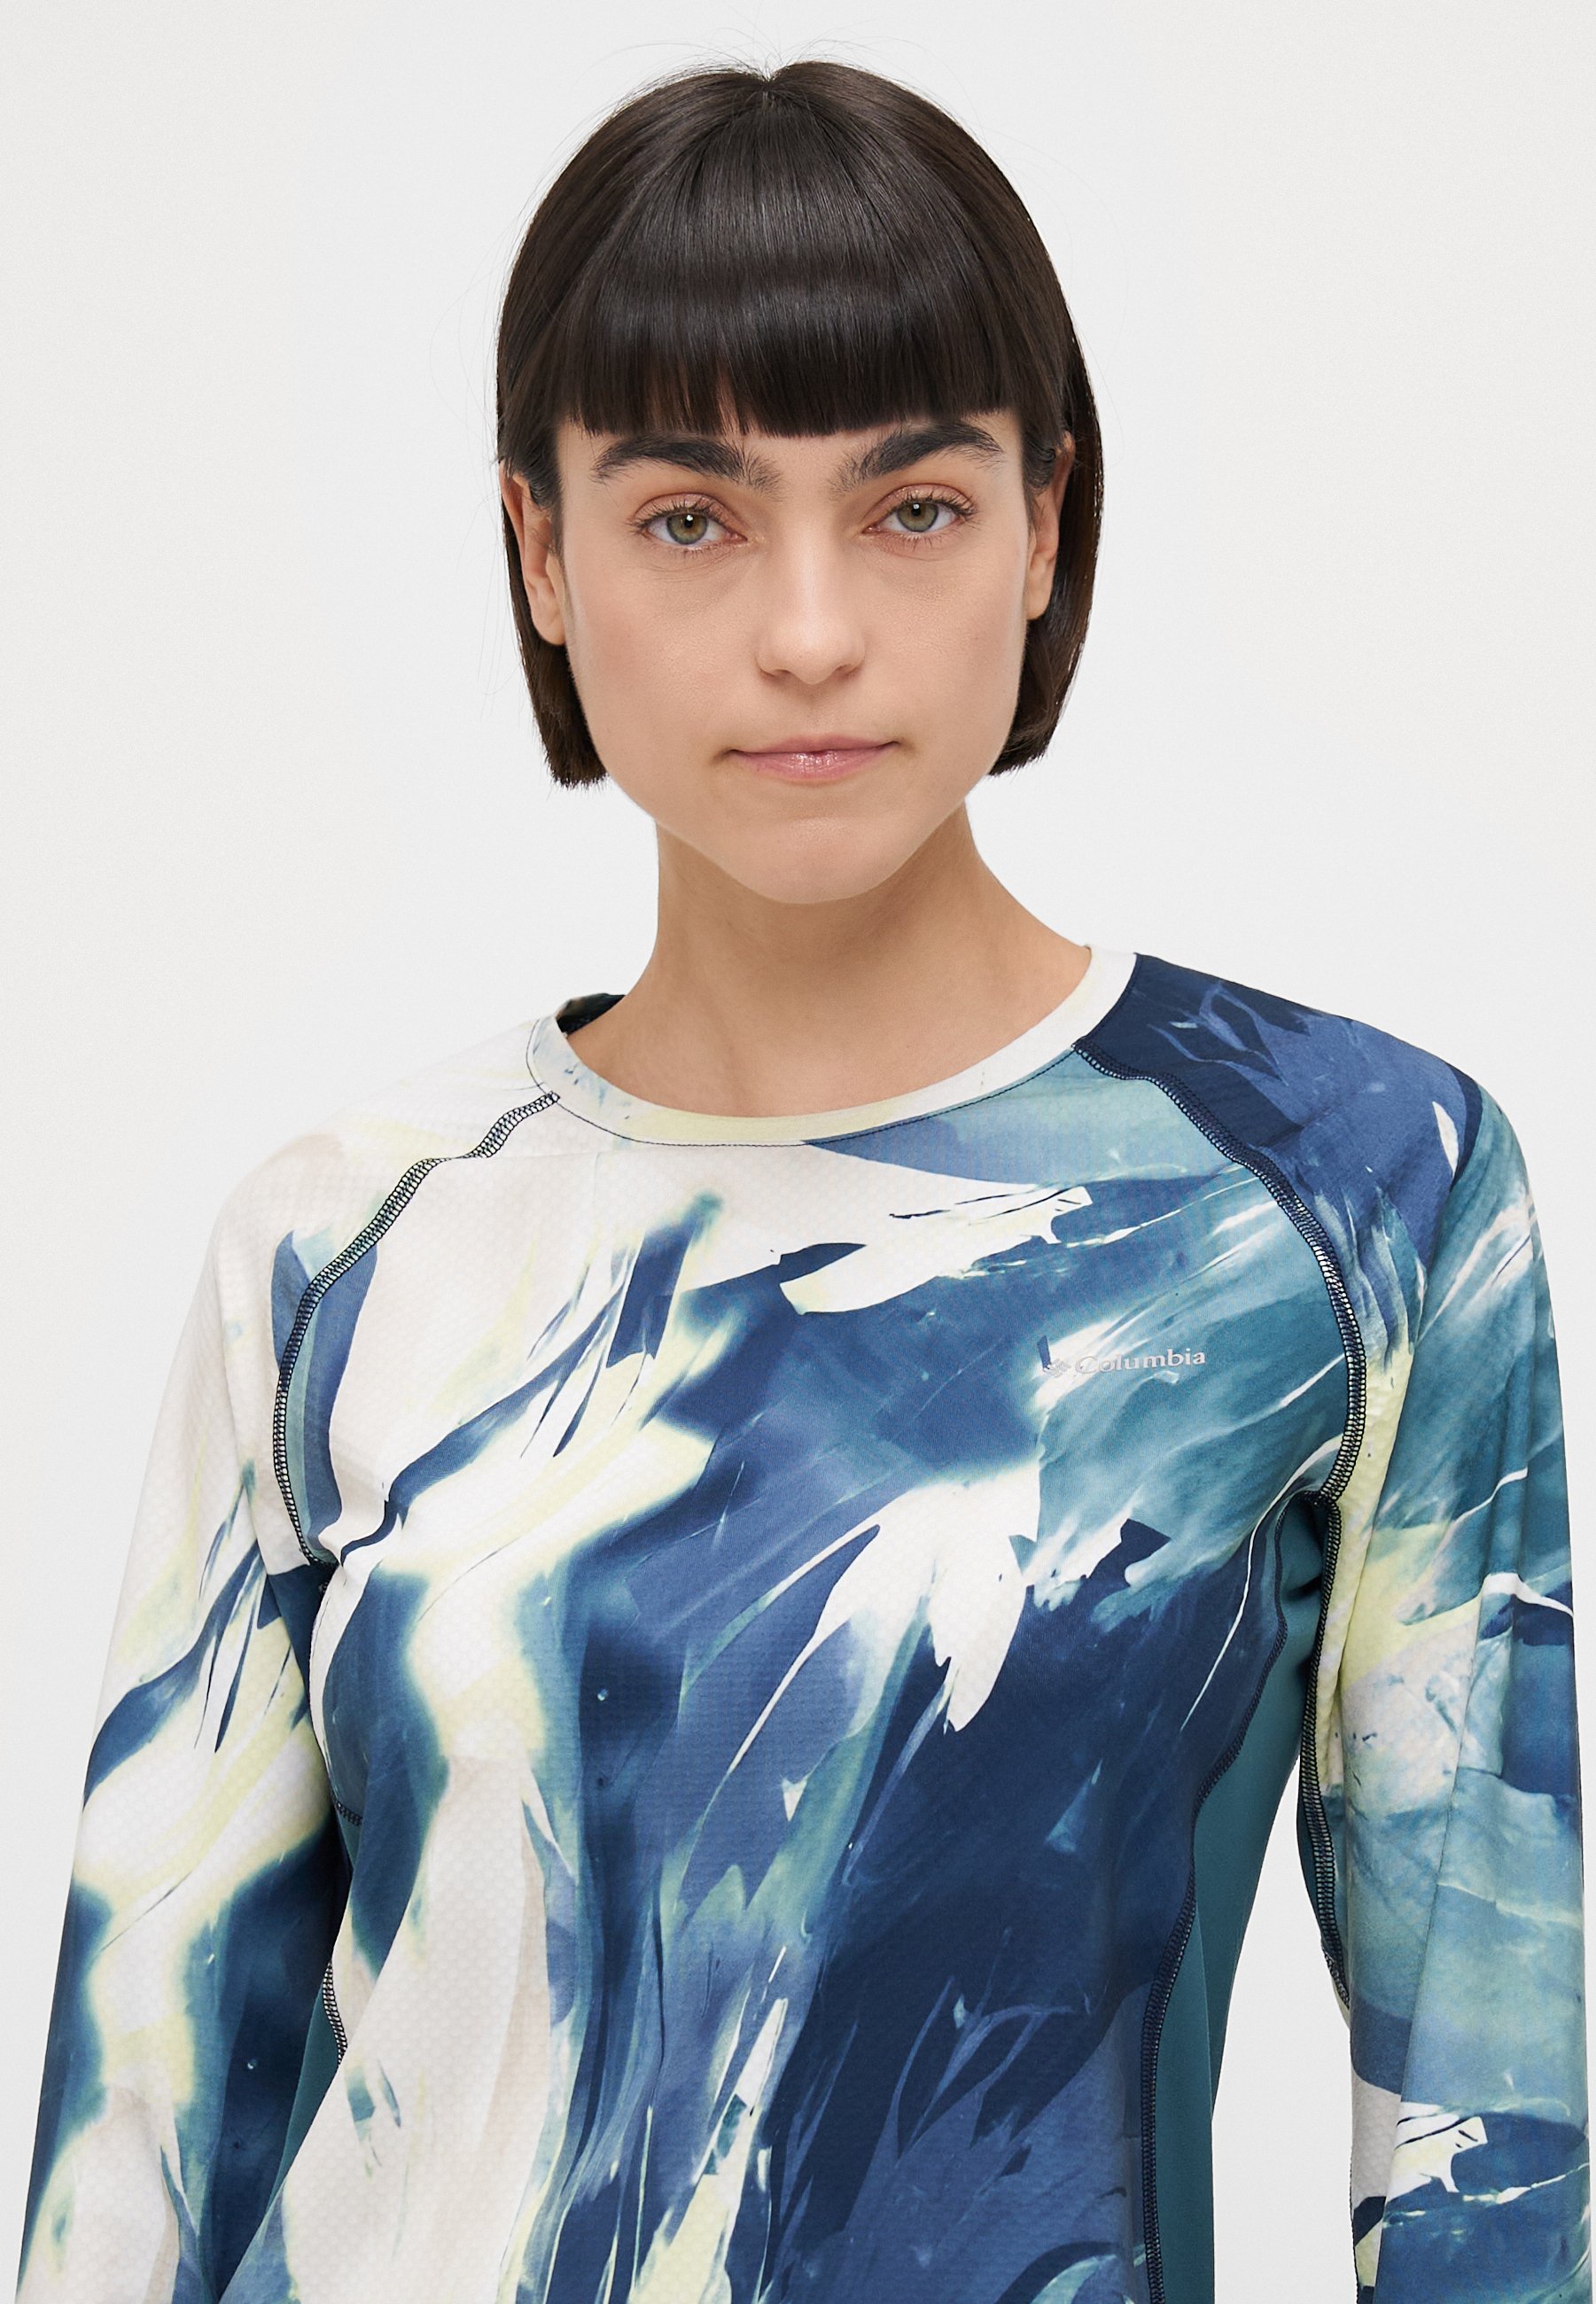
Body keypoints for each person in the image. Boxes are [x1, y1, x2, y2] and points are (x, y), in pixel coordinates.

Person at [13, 55, 1586, 2304]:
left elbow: (1496, 2146)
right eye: (690, 518)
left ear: (1046, 523)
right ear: (540, 553)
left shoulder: (1346, 1192)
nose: (811, 630)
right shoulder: (342, 1244)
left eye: (913, 504)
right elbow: (140, 2149)